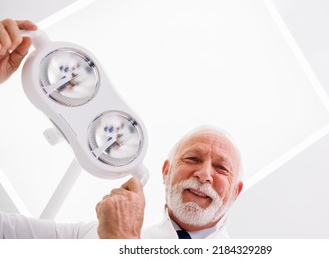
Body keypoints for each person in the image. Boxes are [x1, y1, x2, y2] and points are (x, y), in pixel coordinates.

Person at [0, 19, 243, 239]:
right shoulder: (91, 236)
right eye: (192, 158)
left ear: (236, 192)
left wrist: (120, 238)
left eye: (222, 168)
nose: (204, 174)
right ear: (166, 172)